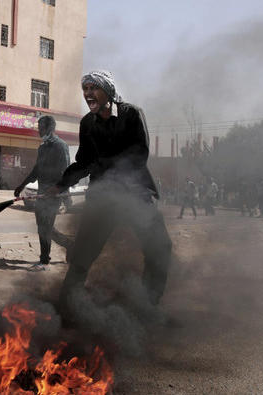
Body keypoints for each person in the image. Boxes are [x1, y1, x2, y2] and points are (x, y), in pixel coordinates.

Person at [49, 70, 172, 308]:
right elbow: (83, 161)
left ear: (108, 91)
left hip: (134, 196)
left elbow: (139, 154)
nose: (87, 93)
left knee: (160, 248)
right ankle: (66, 307)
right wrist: (61, 184)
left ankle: (147, 304)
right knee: (83, 255)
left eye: (93, 87)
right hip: (102, 199)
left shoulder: (132, 114)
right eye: (85, 89)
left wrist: (105, 169)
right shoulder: (87, 123)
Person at [14, 115, 70, 270]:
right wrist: (21, 185)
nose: (38, 131)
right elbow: (36, 170)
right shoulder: (43, 147)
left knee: (46, 226)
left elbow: (66, 172)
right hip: (42, 191)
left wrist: (65, 194)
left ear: (50, 128)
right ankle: (69, 245)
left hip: (54, 192)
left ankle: (44, 260)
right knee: (43, 227)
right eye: (38, 128)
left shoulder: (61, 146)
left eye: (41, 128)